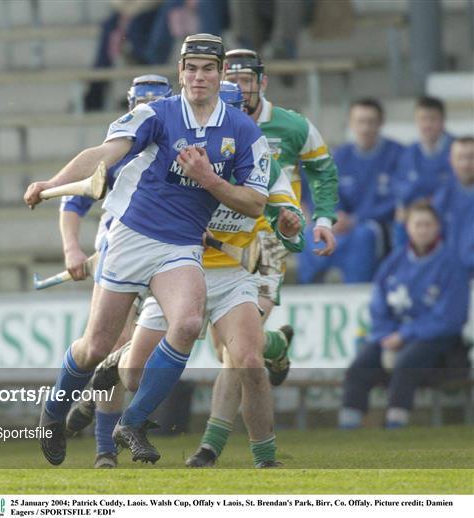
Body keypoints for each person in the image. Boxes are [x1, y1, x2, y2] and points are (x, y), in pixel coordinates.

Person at [24, 34, 271, 466]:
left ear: (219, 74)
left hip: (181, 244)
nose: (198, 77)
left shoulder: (244, 131)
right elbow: (103, 154)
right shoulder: (156, 114)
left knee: (189, 322)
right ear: (180, 72)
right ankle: (55, 410)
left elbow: (254, 203)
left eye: (208, 69)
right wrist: (52, 183)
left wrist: (210, 180)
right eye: (190, 68)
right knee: (96, 346)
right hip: (133, 236)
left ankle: (132, 422)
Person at [66, 81, 302, 469]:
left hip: (231, 276)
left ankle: (265, 458)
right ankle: (117, 362)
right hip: (175, 273)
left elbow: (287, 228)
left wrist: (292, 228)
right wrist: (86, 247)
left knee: (246, 359)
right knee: (133, 379)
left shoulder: (258, 159)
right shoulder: (171, 153)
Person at [183, 48, 338, 467]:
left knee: (239, 355)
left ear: (262, 82)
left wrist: (321, 218)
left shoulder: (291, 125)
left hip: (268, 241)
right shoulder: (206, 127)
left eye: (248, 79)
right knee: (227, 352)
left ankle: (212, 447)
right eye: (233, 79)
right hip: (223, 246)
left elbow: (323, 169)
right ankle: (278, 347)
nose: (241, 87)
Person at [60, 75, 173, 469]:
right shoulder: (119, 150)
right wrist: (73, 248)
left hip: (169, 252)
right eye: (139, 103)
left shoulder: (180, 148)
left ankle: (95, 395)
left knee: (153, 347)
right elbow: (73, 203)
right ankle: (105, 449)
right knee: (114, 342)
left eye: (154, 103)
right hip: (119, 251)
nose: (144, 110)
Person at [338, 201, 470, 429]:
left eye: (427, 224)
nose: (422, 230)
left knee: (407, 361)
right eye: (417, 224)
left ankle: (395, 425)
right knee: (360, 365)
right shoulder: (393, 263)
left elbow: (450, 318)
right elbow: (378, 306)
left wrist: (405, 335)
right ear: (408, 227)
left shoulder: (451, 265)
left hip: (439, 345)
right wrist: (388, 336)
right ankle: (348, 427)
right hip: (393, 337)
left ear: (437, 227)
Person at [298, 99, 404, 283]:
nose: (365, 128)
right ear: (351, 124)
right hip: (342, 223)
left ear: (381, 123)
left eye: (371, 122)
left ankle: (359, 292)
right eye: (360, 122)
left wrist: (355, 219)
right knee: (311, 235)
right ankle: (311, 289)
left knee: (363, 237)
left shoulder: (397, 154)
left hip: (377, 225)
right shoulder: (339, 156)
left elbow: (397, 200)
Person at [393, 97, 454, 245]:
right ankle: (405, 266)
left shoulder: (457, 149)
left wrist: (430, 204)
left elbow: (457, 187)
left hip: (448, 212)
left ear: (442, 121)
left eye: (432, 119)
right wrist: (406, 207)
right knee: (400, 220)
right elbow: (400, 187)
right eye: (422, 119)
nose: (427, 125)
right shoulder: (408, 152)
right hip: (415, 214)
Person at [432, 136, 474, 274]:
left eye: (471, 157)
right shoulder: (441, 197)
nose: (466, 164)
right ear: (451, 161)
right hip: (450, 274)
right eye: (460, 158)